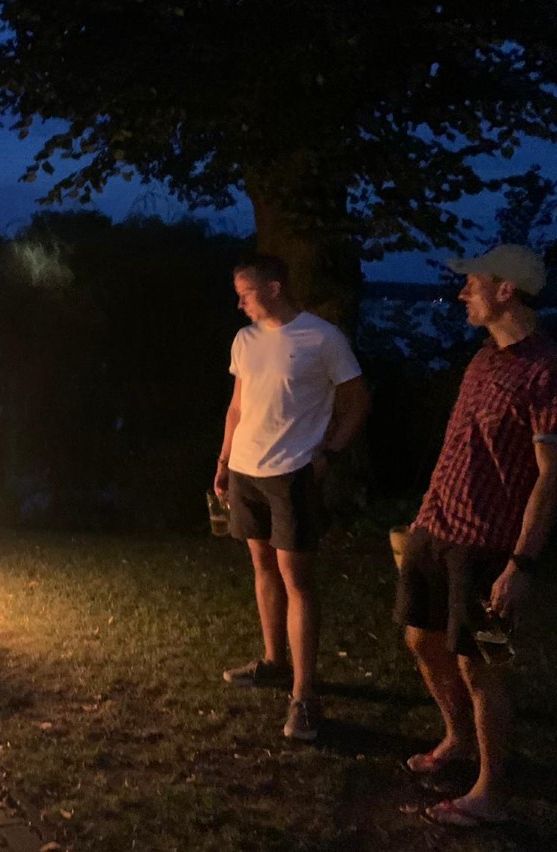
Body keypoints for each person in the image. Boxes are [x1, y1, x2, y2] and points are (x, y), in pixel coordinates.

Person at [395, 243, 556, 829]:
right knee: (420, 638)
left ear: (506, 291)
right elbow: (458, 445)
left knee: (480, 666)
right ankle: (458, 736)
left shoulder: (545, 371)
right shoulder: (484, 359)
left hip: (488, 545)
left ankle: (489, 792)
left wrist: (522, 564)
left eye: (474, 283)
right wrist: (422, 519)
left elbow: (551, 478)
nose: (463, 292)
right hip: (436, 529)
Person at [214, 255, 370, 741]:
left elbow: (357, 401)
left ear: (274, 288)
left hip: (291, 473)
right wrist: (224, 460)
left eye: (246, 293)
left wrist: (330, 452)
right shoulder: (246, 340)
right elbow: (238, 405)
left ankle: (304, 695)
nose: (240, 304)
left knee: (296, 579)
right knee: (262, 567)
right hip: (246, 470)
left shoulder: (322, 338)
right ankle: (273, 661)